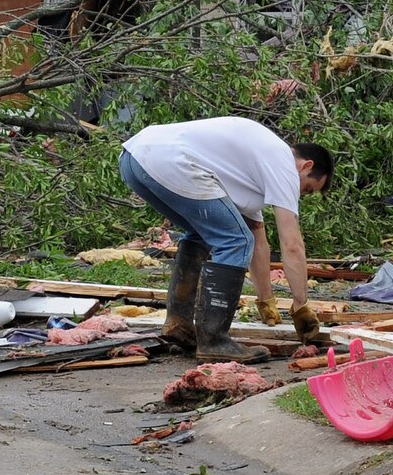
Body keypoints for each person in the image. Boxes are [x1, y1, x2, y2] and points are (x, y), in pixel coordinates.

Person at [118, 117, 333, 362]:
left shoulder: (255, 166)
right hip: (169, 162)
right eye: (307, 189)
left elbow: (259, 242)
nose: (301, 195)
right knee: (234, 241)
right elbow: (292, 245)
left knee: (204, 234)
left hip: (135, 159)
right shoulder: (283, 163)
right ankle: (214, 340)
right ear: (306, 166)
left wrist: (266, 301)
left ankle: (178, 323)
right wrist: (301, 304)